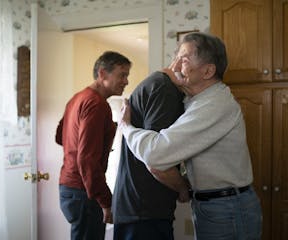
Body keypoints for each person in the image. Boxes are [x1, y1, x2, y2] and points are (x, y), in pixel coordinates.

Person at [118, 32, 262, 240]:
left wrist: (126, 126)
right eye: (175, 58)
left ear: (207, 71)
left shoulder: (214, 105)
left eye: (184, 60)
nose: (175, 66)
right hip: (217, 205)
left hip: (227, 208)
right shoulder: (198, 100)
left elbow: (156, 154)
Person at [55, 51, 131, 240]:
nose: (126, 81)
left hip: (68, 189)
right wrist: (106, 201)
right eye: (122, 74)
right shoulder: (97, 104)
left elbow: (59, 137)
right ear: (103, 74)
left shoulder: (78, 98)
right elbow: (87, 159)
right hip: (83, 192)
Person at [112, 69, 190, 240]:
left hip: (138, 210)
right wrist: (183, 188)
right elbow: (156, 163)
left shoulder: (157, 84)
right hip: (144, 213)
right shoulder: (164, 90)